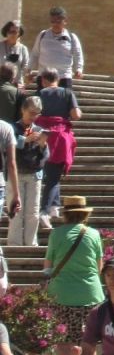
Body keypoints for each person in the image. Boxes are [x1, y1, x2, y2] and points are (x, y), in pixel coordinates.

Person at [44, 193, 105, 355]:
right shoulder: (94, 234)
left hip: (62, 295)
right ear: (85, 214)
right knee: (90, 351)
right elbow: (99, 267)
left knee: (65, 349)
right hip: (91, 296)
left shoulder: (56, 234)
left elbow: (48, 267)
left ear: (66, 214)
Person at [35, 68, 80, 226]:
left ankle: (55, 205)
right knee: (54, 176)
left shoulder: (40, 94)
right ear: (58, 79)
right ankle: (44, 211)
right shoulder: (67, 93)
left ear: (43, 80)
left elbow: (34, 113)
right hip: (61, 136)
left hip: (43, 135)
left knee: (52, 174)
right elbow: (76, 115)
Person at [10, 94, 46, 245]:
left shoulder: (39, 129)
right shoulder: (12, 128)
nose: (33, 116)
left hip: (34, 174)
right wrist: (25, 140)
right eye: (31, 112)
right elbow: (7, 147)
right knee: (16, 212)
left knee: (33, 212)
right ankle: (15, 244)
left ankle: (31, 243)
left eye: (37, 114)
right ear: (23, 110)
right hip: (16, 174)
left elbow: (46, 156)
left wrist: (43, 146)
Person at [30, 7, 85, 85]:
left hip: (64, 76)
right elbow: (35, 54)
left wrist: (79, 69)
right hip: (44, 77)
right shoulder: (43, 35)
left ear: (65, 21)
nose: (55, 24)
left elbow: (78, 55)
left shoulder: (71, 37)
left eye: (58, 21)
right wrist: (29, 69)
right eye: (53, 21)